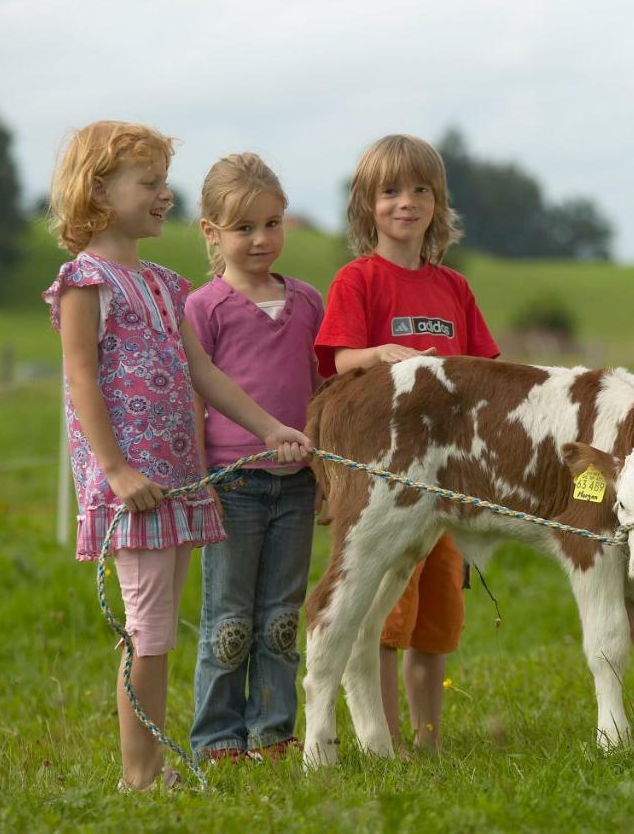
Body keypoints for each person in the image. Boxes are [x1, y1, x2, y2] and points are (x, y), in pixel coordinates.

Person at [42, 122, 310, 790]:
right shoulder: (85, 282)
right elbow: (79, 382)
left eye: (166, 182)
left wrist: (271, 426)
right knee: (151, 627)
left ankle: (155, 765)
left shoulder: (164, 283)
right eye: (150, 183)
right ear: (99, 190)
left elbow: (208, 377)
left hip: (177, 481)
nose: (165, 195)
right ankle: (141, 776)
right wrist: (116, 470)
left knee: (158, 624)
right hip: (132, 484)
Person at [314, 134, 500, 753]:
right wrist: (382, 354)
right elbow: (339, 362)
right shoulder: (358, 281)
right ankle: (382, 737)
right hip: (388, 477)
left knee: (438, 616)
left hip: (450, 476)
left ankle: (429, 739)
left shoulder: (454, 289)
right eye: (390, 190)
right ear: (367, 205)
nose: (406, 202)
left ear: (438, 203)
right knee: (384, 612)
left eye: (421, 190)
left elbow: (484, 374)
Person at [183, 153, 325, 764]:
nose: (261, 239)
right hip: (232, 486)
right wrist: (199, 481)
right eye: (244, 228)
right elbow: (194, 395)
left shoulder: (309, 303)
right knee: (229, 619)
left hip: (297, 485)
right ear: (211, 232)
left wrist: (326, 478)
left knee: (281, 618)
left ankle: (273, 732)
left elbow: (322, 394)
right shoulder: (203, 308)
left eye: (272, 223)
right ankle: (218, 738)